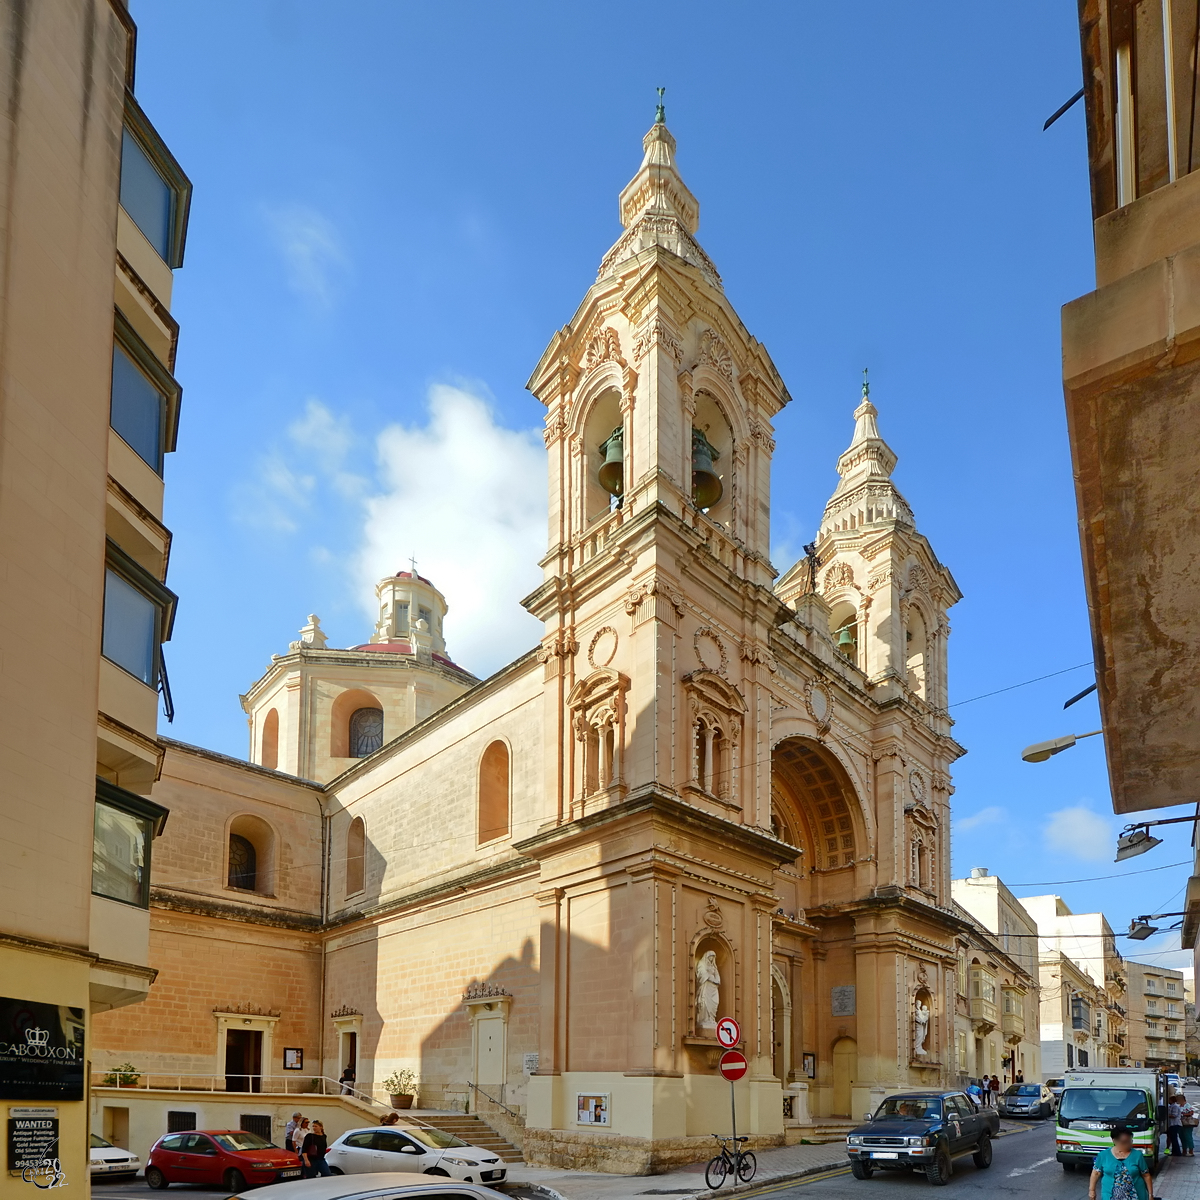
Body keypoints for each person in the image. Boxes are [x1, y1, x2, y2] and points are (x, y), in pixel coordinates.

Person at [1089, 1127, 1152, 1200]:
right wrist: (1092, 1191)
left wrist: (1150, 1195)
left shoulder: (1137, 1155)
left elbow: (1146, 1175)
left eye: (1130, 1141)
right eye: (1124, 1142)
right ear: (1114, 1141)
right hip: (1111, 1196)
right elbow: (1096, 1173)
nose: (1129, 1144)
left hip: (1135, 1196)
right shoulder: (1103, 1155)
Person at [1167, 1093, 1185, 1158]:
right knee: (1172, 1138)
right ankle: (1174, 1151)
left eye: (1169, 1100)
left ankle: (1177, 1152)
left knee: (1174, 1138)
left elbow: (1174, 1115)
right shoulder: (1171, 1106)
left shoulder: (1175, 1106)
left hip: (1175, 1124)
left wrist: (1167, 1115)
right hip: (1172, 1124)